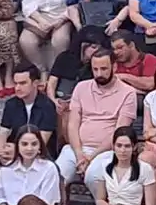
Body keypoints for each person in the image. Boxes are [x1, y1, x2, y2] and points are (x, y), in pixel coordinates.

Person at [56, 48, 137, 187]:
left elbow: (119, 132)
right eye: (95, 69)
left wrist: (90, 157)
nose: (99, 74)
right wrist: (79, 154)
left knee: (93, 177)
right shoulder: (81, 87)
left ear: (114, 67)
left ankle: (102, 201)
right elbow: (73, 125)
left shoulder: (128, 93)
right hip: (76, 148)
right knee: (56, 177)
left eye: (104, 69)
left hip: (107, 151)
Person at [0, 65, 60, 161]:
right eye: (15, 83)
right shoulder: (11, 104)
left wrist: (15, 152)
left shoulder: (47, 106)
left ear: (35, 83)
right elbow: (3, 131)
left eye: (23, 83)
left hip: (41, 155)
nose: (17, 88)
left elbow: (42, 141)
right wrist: (0, 148)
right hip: (15, 151)